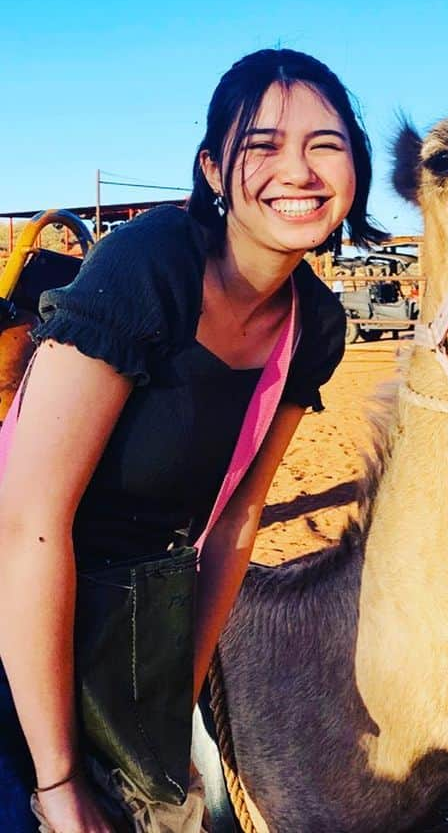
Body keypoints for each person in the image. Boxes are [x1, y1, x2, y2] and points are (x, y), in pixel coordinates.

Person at [0, 48, 382, 832]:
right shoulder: (149, 265)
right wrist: (58, 779)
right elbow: (29, 522)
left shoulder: (316, 324)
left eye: (326, 144)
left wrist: (180, 697)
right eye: (263, 145)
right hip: (21, 603)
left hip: (137, 623)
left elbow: (236, 524)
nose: (299, 170)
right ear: (213, 169)